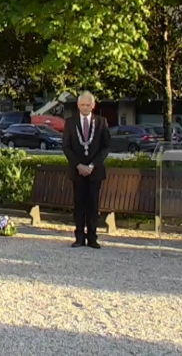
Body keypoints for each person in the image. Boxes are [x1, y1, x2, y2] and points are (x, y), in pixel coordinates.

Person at [61, 92, 112, 249]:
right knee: (79, 205)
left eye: (88, 105)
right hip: (77, 171)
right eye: (82, 105)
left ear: (93, 105)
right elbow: (66, 146)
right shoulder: (70, 123)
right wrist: (78, 165)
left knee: (93, 205)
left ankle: (92, 238)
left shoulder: (101, 122)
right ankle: (79, 238)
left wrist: (92, 165)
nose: (85, 108)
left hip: (94, 171)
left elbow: (106, 146)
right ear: (78, 105)